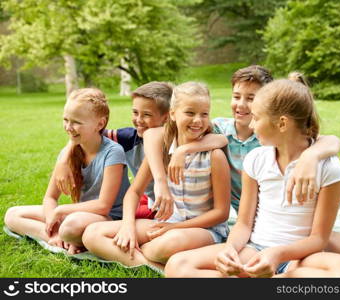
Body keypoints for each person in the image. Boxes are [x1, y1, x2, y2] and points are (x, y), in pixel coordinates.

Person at [147, 66, 340, 276]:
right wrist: (230, 249)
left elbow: (326, 141)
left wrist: (312, 156)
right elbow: (242, 223)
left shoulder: (309, 154)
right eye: (238, 97)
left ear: (282, 122)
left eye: (253, 106)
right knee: (178, 266)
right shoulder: (227, 134)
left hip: (297, 246)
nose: (247, 114)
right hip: (256, 237)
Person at [82, 82, 231, 268]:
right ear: (173, 114)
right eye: (190, 113)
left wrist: (174, 228)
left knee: (166, 244)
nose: (198, 120)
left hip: (203, 229)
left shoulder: (214, 156)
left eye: (204, 114)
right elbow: (134, 192)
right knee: (92, 233)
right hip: (166, 223)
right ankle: (155, 268)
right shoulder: (161, 149)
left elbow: (221, 213)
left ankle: (138, 257)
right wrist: (128, 226)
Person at [54, 81, 227, 220]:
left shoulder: (177, 139)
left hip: (173, 210)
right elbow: (87, 134)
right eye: (135, 112)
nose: (138, 120)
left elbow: (221, 138)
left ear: (168, 117)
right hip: (153, 203)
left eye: (146, 115)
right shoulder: (129, 138)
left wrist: (185, 150)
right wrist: (64, 159)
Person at [4, 88, 130, 255]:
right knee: (12, 215)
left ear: (100, 124)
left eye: (76, 122)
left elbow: (103, 206)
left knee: (71, 225)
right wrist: (53, 223)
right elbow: (50, 197)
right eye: (66, 120)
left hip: (109, 218)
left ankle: (68, 237)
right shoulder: (67, 154)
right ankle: (57, 239)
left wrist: (61, 211)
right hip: (78, 214)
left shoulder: (113, 152)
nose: (69, 127)